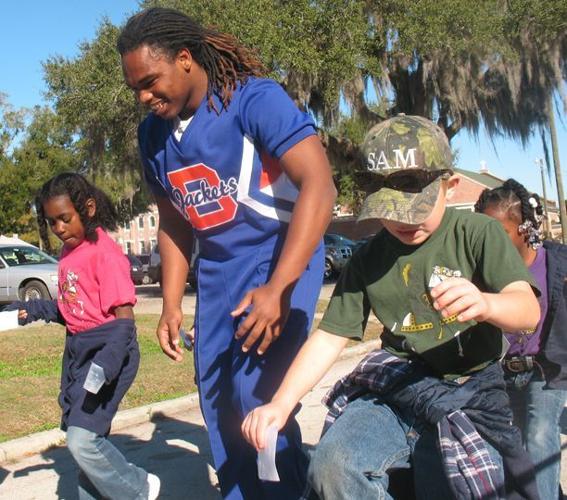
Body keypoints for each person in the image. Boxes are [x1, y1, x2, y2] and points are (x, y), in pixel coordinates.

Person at [242, 115, 542, 499]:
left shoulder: (477, 233)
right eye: (390, 209)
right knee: (332, 465)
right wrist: (281, 404)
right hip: (397, 386)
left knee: (450, 485)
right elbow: (330, 335)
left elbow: (527, 311)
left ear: (449, 187)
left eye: (415, 207)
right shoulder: (369, 257)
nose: (403, 221)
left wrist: (486, 303)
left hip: (469, 388)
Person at [117, 7, 336, 499]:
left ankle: (285, 490)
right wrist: (171, 303)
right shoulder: (152, 135)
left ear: (186, 59)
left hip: (278, 257)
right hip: (217, 273)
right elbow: (174, 221)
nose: (145, 97)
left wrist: (279, 287)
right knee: (218, 404)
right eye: (136, 89)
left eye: (151, 81)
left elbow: (320, 186)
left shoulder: (253, 100)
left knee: (254, 396)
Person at [5, 173, 159, 500]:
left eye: (65, 219)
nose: (58, 228)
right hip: (79, 352)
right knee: (85, 442)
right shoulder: (67, 254)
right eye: (51, 222)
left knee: (82, 440)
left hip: (110, 351)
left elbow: (125, 321)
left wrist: (105, 364)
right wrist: (34, 310)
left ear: (87, 209)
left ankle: (139, 487)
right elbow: (73, 309)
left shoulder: (105, 253)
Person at [475, 179, 567, 499]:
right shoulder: (481, 269)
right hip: (502, 372)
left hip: (545, 370)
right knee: (513, 449)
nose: (488, 241)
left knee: (541, 435)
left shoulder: (558, 263)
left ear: (525, 228)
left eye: (498, 232)